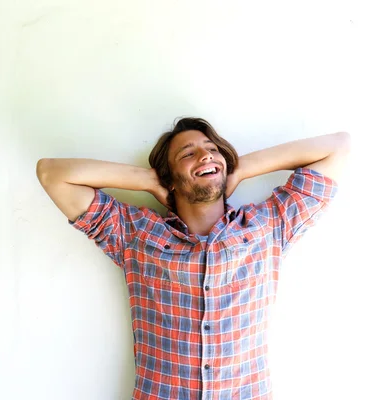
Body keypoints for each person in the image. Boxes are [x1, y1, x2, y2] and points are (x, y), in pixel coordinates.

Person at [35, 117, 350, 400]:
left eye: (212, 150)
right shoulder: (136, 234)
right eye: (188, 153)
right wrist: (149, 181)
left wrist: (241, 168)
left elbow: (339, 146)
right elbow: (52, 173)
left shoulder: (269, 225)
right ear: (170, 177)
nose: (206, 156)